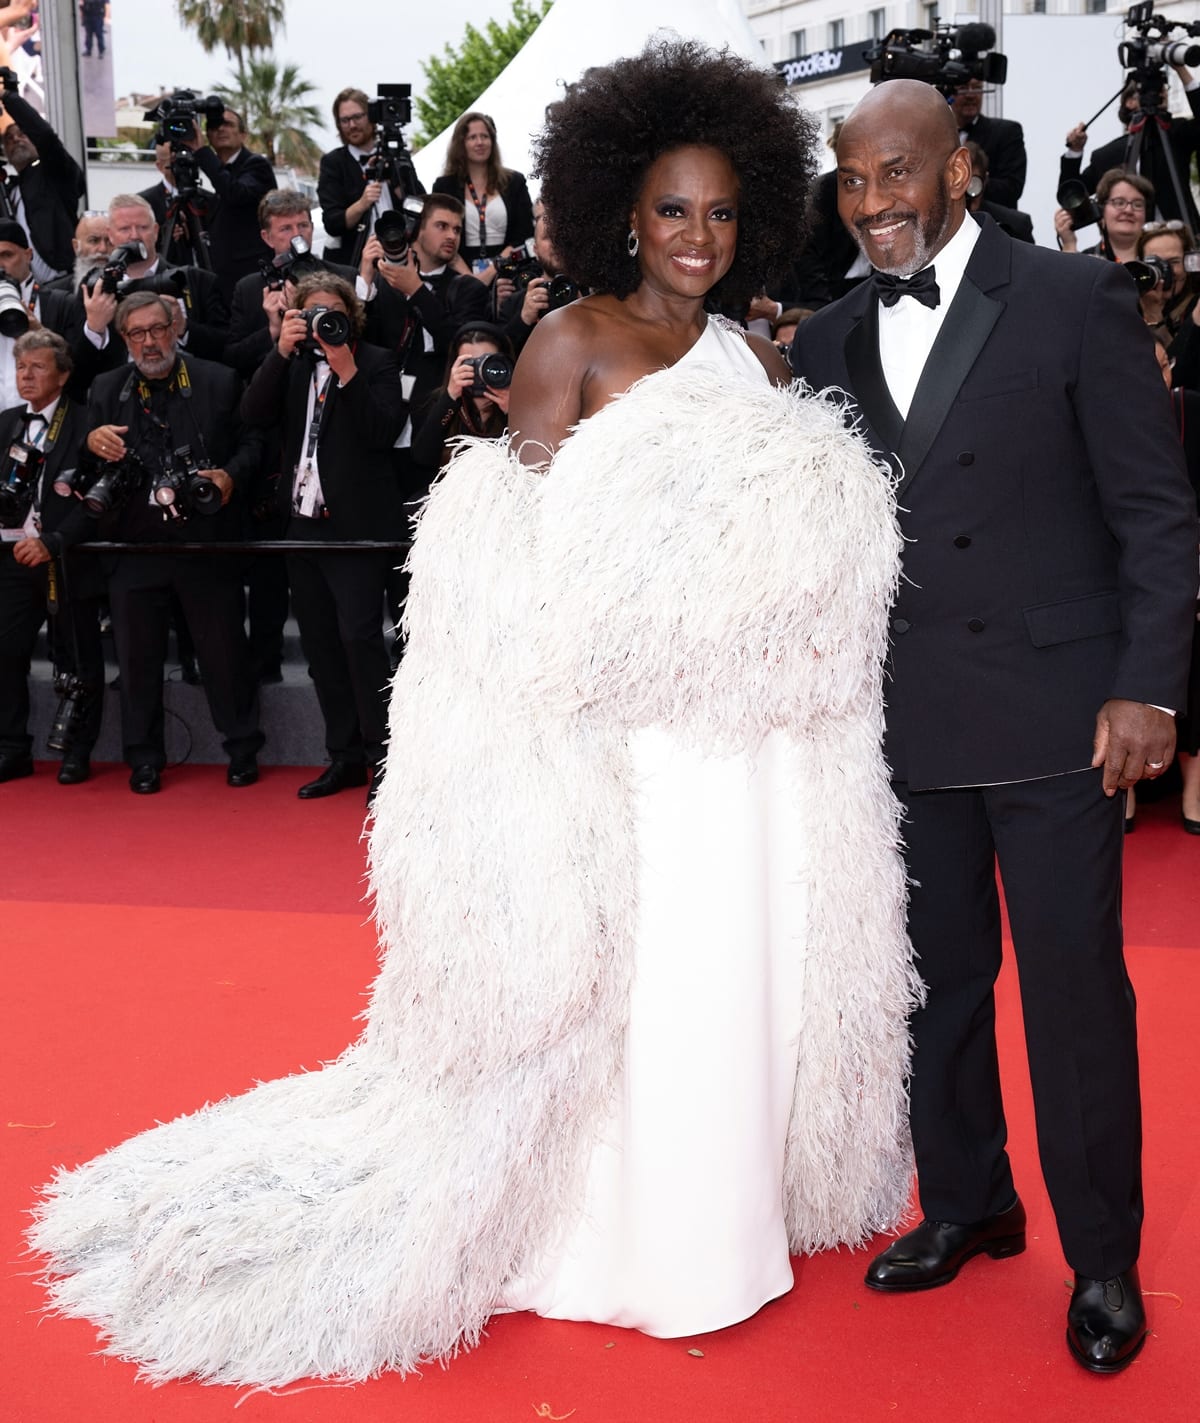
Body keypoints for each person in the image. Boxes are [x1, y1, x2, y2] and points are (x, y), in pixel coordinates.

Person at [29, 40, 917, 1386]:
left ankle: (737, 1206)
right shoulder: (574, 339)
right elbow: (530, 560)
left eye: (724, 211)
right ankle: (639, 1236)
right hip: (637, 747)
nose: (698, 235)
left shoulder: (760, 359)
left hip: (758, 746)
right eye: (674, 208)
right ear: (625, 206)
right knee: (654, 973)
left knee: (744, 960)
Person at [791, 77, 1197, 1375]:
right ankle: (969, 1199)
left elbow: (1156, 507)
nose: (874, 204)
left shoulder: (1073, 296)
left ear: (959, 168)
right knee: (938, 988)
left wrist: (1152, 683)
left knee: (1076, 996)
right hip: (904, 733)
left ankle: (1104, 1255)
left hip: (1060, 722)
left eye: (896, 173)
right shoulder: (827, 339)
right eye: (853, 182)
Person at [83, 291, 264, 794]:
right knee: (136, 664)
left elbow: (255, 444)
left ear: (175, 328)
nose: (149, 342)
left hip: (204, 546)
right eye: (136, 334)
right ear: (124, 340)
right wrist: (90, 440)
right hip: (133, 550)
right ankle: (143, 758)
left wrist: (229, 476)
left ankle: (243, 748)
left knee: (225, 654)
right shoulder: (105, 388)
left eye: (157, 329)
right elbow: (86, 467)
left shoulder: (217, 379)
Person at [241, 274, 406, 803]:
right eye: (313, 312)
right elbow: (252, 415)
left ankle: (386, 762)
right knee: (320, 648)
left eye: (333, 312)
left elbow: (384, 433)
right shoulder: (290, 365)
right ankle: (344, 758)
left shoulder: (377, 362)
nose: (324, 321)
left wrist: (347, 370)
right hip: (301, 529)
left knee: (361, 643)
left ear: (352, 315)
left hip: (354, 530)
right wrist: (278, 350)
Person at [0, 330, 99, 784]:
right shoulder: (5, 424)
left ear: (62, 374)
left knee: (77, 657)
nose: (27, 375)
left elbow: (96, 502)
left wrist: (55, 540)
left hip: (66, 556)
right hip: (14, 560)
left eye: (38, 367)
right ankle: (12, 748)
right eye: (22, 367)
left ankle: (78, 751)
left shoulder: (87, 423)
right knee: (5, 651)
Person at [1062, 66, 1200, 228]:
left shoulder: (1175, 134)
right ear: (1130, 102)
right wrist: (1075, 152)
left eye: (1163, 89)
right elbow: (1071, 197)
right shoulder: (1105, 156)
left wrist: (1181, 70)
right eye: (1153, 91)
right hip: (1127, 245)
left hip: (1181, 236)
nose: (1161, 93)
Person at [317, 86, 425, 267]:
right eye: (345, 120)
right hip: (353, 262)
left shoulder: (397, 156)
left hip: (399, 258)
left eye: (357, 117)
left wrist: (396, 181)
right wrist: (362, 204)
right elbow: (332, 223)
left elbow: (421, 205)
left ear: (372, 116)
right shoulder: (333, 162)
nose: (352, 125)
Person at [178, 106, 277, 299]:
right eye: (214, 125)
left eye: (228, 124)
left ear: (243, 135)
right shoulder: (219, 171)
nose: (220, 129)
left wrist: (201, 152)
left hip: (251, 280)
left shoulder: (256, 165)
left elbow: (235, 193)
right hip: (223, 282)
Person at [409, 321, 513, 485]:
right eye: (472, 364)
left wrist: (513, 412)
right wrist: (450, 398)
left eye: (488, 362)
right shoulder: (441, 403)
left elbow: (535, 457)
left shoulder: (522, 401)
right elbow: (422, 457)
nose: (480, 370)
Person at [432, 111, 535, 272]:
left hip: (509, 270)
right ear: (461, 143)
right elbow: (439, 235)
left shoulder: (515, 182)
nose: (480, 142)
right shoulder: (445, 186)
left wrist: (494, 269)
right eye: (472, 137)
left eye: (485, 136)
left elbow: (525, 233)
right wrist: (471, 281)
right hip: (459, 274)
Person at [951, 78, 1026, 208]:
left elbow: (1012, 188)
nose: (971, 95)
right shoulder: (936, 134)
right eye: (963, 88)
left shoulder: (1006, 131)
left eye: (976, 87)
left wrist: (972, 183)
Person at [1055, 167, 1153, 263]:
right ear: (1101, 209)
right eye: (1119, 203)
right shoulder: (1087, 261)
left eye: (1137, 204)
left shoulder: (1160, 257)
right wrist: (1069, 245)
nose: (1128, 210)